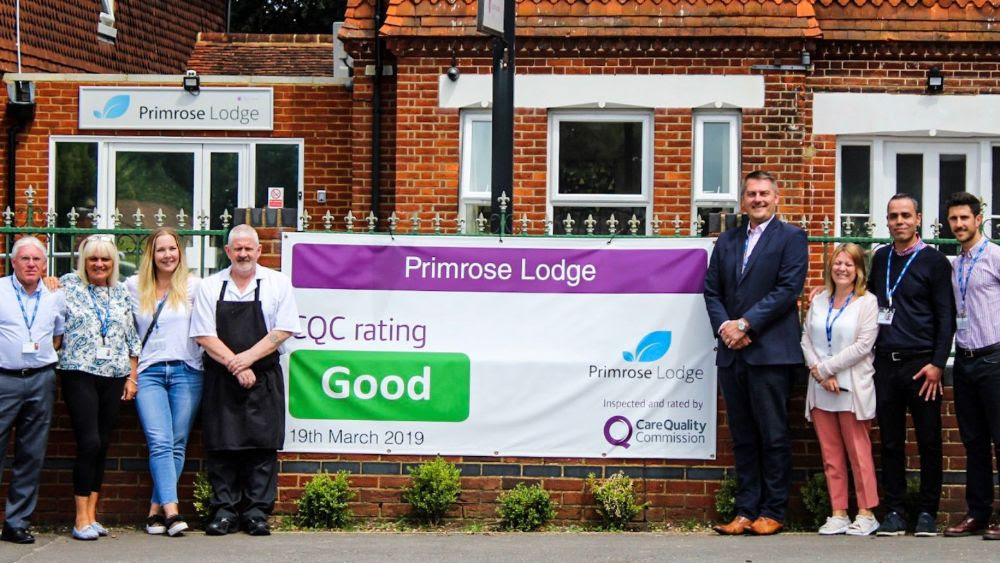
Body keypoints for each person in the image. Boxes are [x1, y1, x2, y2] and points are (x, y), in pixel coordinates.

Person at [704, 170, 808, 536]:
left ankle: (773, 510)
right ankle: (745, 511)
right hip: (732, 353)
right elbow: (711, 291)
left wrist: (745, 325)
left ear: (776, 198)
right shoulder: (728, 241)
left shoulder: (792, 238)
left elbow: (787, 289)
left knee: (773, 434)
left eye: (764, 193)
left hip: (770, 353)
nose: (758, 199)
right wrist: (726, 328)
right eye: (751, 194)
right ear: (743, 200)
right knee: (743, 436)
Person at [190, 224, 300, 536]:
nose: (243, 254)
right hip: (221, 378)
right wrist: (236, 366)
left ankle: (256, 514)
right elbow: (203, 334)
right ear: (227, 252)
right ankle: (223, 512)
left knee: (262, 447)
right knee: (222, 446)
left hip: (263, 375)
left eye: (248, 248)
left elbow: (283, 330)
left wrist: (248, 358)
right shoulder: (211, 286)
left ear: (259, 251)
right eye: (237, 248)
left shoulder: (278, 283)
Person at [867, 193, 955, 537]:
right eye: (893, 216)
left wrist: (937, 363)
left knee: (929, 440)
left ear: (918, 219)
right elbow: (865, 300)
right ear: (887, 221)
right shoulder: (881, 258)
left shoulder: (934, 262)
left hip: (922, 366)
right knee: (890, 442)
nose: (899, 221)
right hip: (886, 364)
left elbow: (945, 317)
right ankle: (895, 510)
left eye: (905, 215)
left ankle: (927, 512)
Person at [58, 235, 140, 540]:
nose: (99, 264)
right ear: (84, 262)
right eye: (93, 258)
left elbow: (132, 339)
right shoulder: (67, 284)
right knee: (89, 441)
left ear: (113, 263)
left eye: (105, 259)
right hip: (78, 372)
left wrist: (131, 378)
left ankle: (92, 515)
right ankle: (79, 519)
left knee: (103, 443)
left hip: (114, 374)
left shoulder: (120, 293)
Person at [127, 228, 202, 537]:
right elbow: (96, 282)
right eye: (161, 250)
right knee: (159, 440)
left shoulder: (196, 285)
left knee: (176, 443)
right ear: (151, 255)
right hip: (149, 373)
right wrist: (54, 281)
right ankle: (172, 512)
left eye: (173, 249)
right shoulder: (133, 286)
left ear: (180, 253)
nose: (168, 255)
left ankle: (154, 511)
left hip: (187, 371)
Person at [801, 243, 880, 536]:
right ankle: (838, 513)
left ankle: (866, 512)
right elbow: (805, 339)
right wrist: (820, 374)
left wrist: (826, 368)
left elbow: (863, 345)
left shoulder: (867, 302)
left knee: (859, 454)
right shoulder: (819, 300)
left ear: (859, 270)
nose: (842, 269)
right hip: (822, 388)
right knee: (831, 455)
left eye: (849, 264)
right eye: (838, 263)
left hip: (852, 388)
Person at [941, 192, 1000, 539]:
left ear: (979, 219)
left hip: (995, 358)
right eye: (953, 219)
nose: (959, 225)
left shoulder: (995, 257)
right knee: (973, 442)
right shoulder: (955, 264)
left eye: (965, 218)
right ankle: (977, 513)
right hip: (964, 361)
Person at [0, 237, 65, 544]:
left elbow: (57, 336)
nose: (30, 264)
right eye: (24, 259)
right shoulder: (0, 291)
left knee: (31, 453)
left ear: (44, 264)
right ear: (12, 262)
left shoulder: (54, 295)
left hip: (41, 379)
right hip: (3, 378)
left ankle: (17, 522)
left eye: (36, 260)